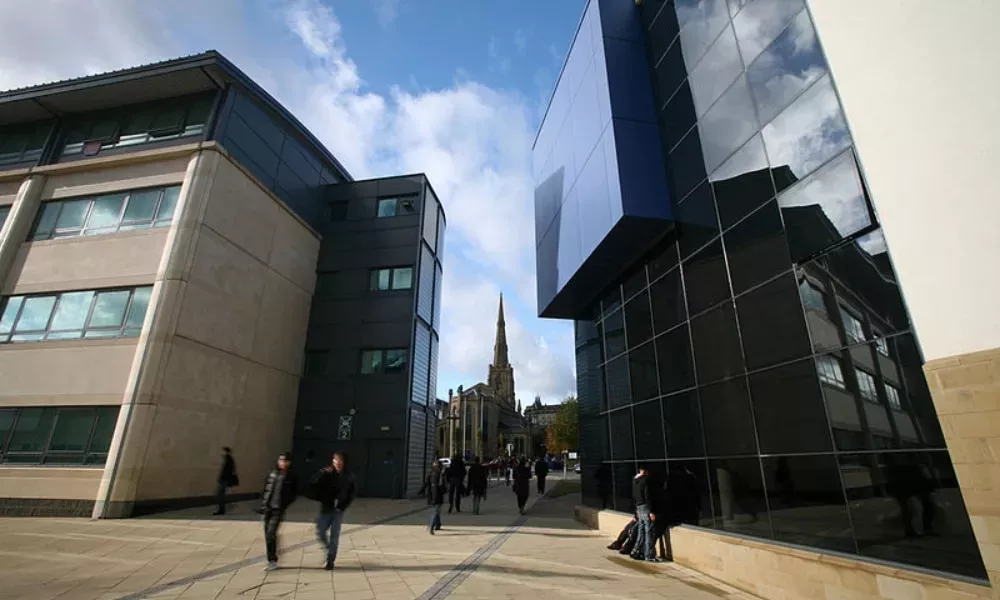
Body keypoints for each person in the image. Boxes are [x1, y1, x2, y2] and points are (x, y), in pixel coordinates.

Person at [310, 451, 356, 570]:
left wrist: (343, 506)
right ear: (333, 461)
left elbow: (351, 493)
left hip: (338, 510)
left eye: (340, 460)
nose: (338, 462)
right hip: (326, 508)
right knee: (320, 532)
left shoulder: (348, 476)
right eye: (335, 460)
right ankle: (327, 549)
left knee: (334, 536)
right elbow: (314, 482)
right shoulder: (327, 473)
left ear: (344, 462)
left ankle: (330, 560)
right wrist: (322, 473)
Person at [259, 452, 298, 571]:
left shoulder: (291, 476)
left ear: (289, 462)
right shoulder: (272, 473)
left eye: (285, 460)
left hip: (278, 509)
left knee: (271, 533)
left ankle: (272, 560)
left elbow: (293, 494)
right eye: (280, 460)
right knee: (268, 535)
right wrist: (263, 504)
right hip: (268, 508)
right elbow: (266, 489)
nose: (282, 463)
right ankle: (271, 555)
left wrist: (284, 504)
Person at [632, 464, 663, 563]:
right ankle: (649, 555)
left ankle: (637, 550)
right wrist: (651, 511)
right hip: (645, 506)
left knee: (641, 529)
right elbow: (647, 495)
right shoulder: (646, 481)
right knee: (649, 531)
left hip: (639, 506)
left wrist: (636, 509)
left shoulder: (635, 481)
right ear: (646, 471)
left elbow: (634, 495)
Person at [423, 460, 447, 534]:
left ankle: (438, 524)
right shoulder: (441, 474)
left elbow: (426, 483)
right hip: (438, 495)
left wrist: (421, 490)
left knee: (437, 510)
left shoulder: (430, 473)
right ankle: (431, 526)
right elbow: (443, 485)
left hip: (432, 495)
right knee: (436, 511)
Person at [214, 447, 238, 515]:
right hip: (225, 480)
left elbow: (227, 471)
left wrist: (222, 479)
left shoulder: (228, 459)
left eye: (223, 451)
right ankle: (221, 510)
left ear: (226, 452)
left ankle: (221, 510)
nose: (221, 453)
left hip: (225, 480)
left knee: (220, 494)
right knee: (221, 494)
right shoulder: (228, 459)